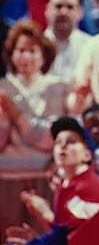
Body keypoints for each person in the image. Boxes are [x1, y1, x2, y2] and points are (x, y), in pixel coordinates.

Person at [0, 21, 76, 236]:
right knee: (10, 237)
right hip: (7, 179)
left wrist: (15, 114)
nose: (26, 57)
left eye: (32, 51)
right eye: (20, 50)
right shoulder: (3, 87)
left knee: (44, 236)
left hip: (47, 177)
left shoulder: (58, 87)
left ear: (44, 55)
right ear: (11, 55)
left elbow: (47, 139)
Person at [4, 116, 99, 245]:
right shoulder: (68, 185)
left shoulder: (89, 185)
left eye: (71, 141)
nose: (62, 145)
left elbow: (81, 237)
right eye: (57, 142)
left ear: (86, 155)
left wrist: (38, 242)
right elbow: (66, 232)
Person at [44, 0, 90, 86]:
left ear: (80, 13)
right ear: (46, 10)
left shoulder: (90, 46)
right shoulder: (35, 44)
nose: (63, 12)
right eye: (58, 6)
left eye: (70, 7)